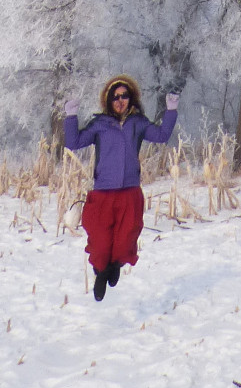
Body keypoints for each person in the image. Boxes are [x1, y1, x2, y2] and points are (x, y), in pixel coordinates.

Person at [63, 75, 179, 300]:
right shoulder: (100, 124)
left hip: (129, 192)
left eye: (124, 96)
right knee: (100, 239)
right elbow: (73, 143)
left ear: (131, 98)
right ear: (108, 100)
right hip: (103, 192)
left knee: (126, 237)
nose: (120, 100)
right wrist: (71, 115)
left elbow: (162, 136)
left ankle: (115, 265)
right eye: (115, 97)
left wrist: (171, 110)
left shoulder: (138, 123)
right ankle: (101, 271)